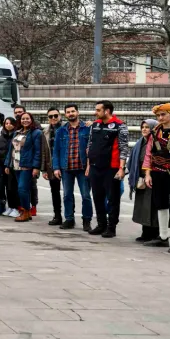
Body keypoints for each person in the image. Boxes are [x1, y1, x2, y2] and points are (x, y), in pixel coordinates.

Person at [86, 100, 129, 238]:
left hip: (111, 168)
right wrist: (88, 165)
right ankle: (101, 224)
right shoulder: (95, 125)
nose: (95, 112)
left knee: (113, 199)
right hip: (95, 167)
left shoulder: (120, 126)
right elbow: (90, 145)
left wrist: (121, 168)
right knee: (97, 197)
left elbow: (124, 148)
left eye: (98, 110)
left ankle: (111, 227)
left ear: (107, 111)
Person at [143, 103, 170, 252]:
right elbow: (148, 154)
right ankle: (163, 237)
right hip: (157, 172)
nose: (160, 118)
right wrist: (147, 174)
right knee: (160, 203)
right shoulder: (155, 132)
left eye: (163, 114)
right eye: (158, 115)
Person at [52, 104, 92, 231]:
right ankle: (69, 219)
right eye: (68, 112)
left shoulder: (87, 128)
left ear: (78, 112)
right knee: (67, 195)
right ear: (65, 115)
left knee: (86, 195)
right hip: (66, 168)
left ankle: (87, 220)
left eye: (73, 111)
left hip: (82, 168)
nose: (71, 114)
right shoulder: (61, 131)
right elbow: (56, 151)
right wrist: (56, 167)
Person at [4, 113, 42, 223]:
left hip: (27, 165)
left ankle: (25, 211)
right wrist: (7, 164)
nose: (25, 120)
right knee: (23, 189)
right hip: (15, 164)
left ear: (31, 119)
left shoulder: (36, 133)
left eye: (27, 118)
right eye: (23, 119)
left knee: (22, 189)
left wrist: (36, 167)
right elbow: (11, 149)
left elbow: (38, 151)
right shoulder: (17, 132)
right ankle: (27, 212)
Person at [126, 120, 159, 242]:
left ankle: (155, 234)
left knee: (153, 207)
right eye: (143, 127)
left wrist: (148, 174)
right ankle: (145, 233)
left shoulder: (156, 142)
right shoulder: (140, 143)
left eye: (147, 127)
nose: (144, 129)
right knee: (142, 207)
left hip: (153, 178)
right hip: (141, 179)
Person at [43, 107, 64, 225]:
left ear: (60, 116)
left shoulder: (66, 128)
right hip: (52, 165)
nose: (53, 118)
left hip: (66, 164)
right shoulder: (45, 130)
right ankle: (57, 216)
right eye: (51, 116)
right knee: (55, 192)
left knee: (68, 193)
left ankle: (70, 217)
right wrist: (45, 169)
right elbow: (44, 151)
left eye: (56, 115)